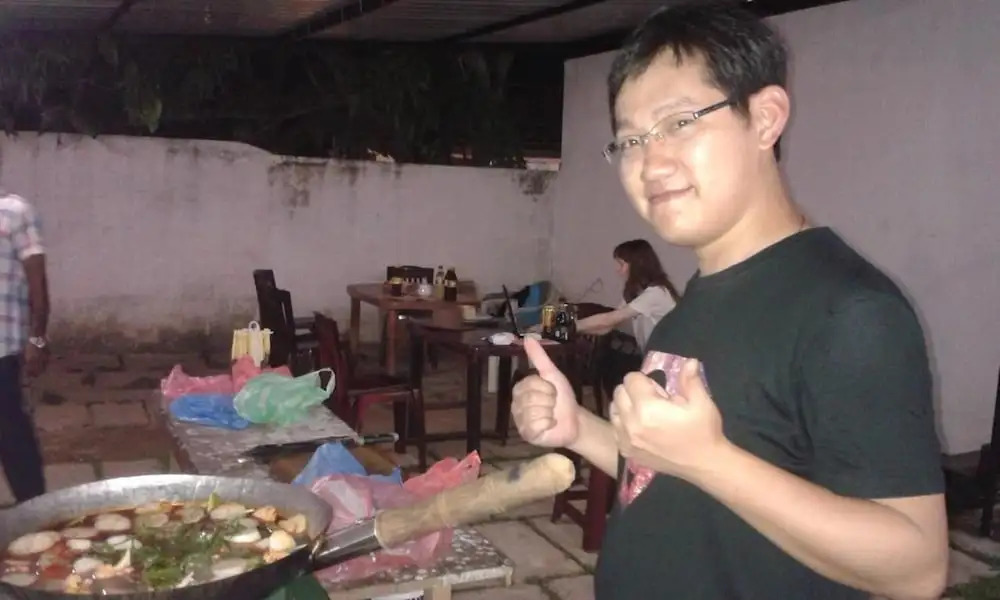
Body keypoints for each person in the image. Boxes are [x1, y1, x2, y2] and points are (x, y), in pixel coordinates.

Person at [511, 3, 947, 600]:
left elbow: (917, 568)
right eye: (631, 140)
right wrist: (579, 428)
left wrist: (711, 459)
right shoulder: (699, 298)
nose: (650, 163)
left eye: (679, 122)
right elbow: (673, 472)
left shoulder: (849, 312)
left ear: (764, 119)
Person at [0, 191, 49, 504]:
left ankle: (35, 509)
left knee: (11, 432)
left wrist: (37, 337)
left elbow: (37, 282)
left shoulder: (14, 212)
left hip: (3, 346)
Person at [571, 239, 678, 350]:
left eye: (621, 264)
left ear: (637, 265)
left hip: (671, 354)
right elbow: (608, 326)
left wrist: (571, 326)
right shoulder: (634, 291)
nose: (617, 270)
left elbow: (609, 319)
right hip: (653, 354)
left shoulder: (656, 293)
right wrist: (574, 330)